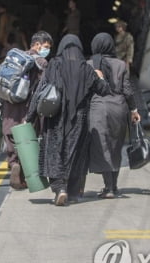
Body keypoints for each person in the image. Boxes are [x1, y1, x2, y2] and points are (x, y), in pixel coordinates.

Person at [26, 34, 111, 206]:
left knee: (54, 152)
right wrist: (100, 77)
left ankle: (59, 188)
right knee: (75, 154)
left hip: (55, 118)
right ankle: (72, 192)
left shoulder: (54, 65)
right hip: (79, 120)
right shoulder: (86, 69)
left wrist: (30, 117)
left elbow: (41, 91)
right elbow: (104, 90)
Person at [87, 33, 141, 199]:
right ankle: (113, 186)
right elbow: (127, 90)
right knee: (115, 146)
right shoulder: (121, 64)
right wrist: (134, 109)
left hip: (98, 107)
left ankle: (109, 187)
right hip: (119, 107)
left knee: (102, 146)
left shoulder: (89, 64)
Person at [0, 30, 53, 190]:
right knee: (27, 139)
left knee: (11, 135)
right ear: (36, 45)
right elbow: (44, 88)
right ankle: (21, 172)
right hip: (28, 108)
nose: (47, 50)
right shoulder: (42, 63)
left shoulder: (13, 58)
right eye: (46, 46)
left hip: (9, 106)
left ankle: (13, 163)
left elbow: (0, 80)